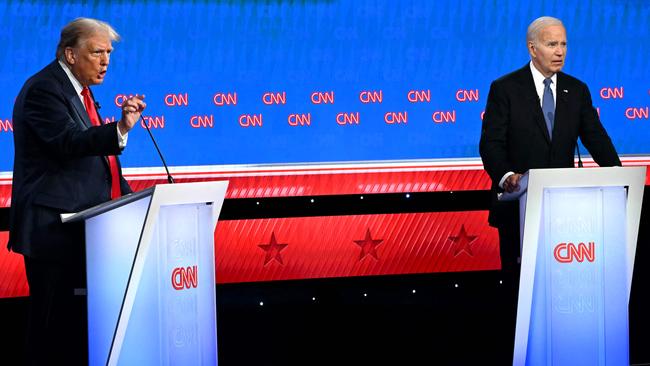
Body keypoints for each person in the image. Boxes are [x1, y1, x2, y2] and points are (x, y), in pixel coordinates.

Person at [479, 15, 621, 361]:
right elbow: (491, 144)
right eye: (551, 44)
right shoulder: (505, 88)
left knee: (564, 295)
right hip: (519, 208)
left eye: (564, 44)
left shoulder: (577, 90)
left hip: (568, 215)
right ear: (533, 48)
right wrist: (506, 175)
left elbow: (596, 139)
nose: (560, 52)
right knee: (520, 295)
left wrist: (617, 175)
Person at [8, 18, 146, 365]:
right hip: (53, 231)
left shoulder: (81, 92)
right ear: (70, 54)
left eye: (109, 53)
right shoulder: (44, 90)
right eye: (97, 52)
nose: (105, 61)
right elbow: (69, 142)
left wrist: (132, 198)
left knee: (74, 332)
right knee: (50, 332)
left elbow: (94, 163)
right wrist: (120, 128)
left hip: (80, 231)